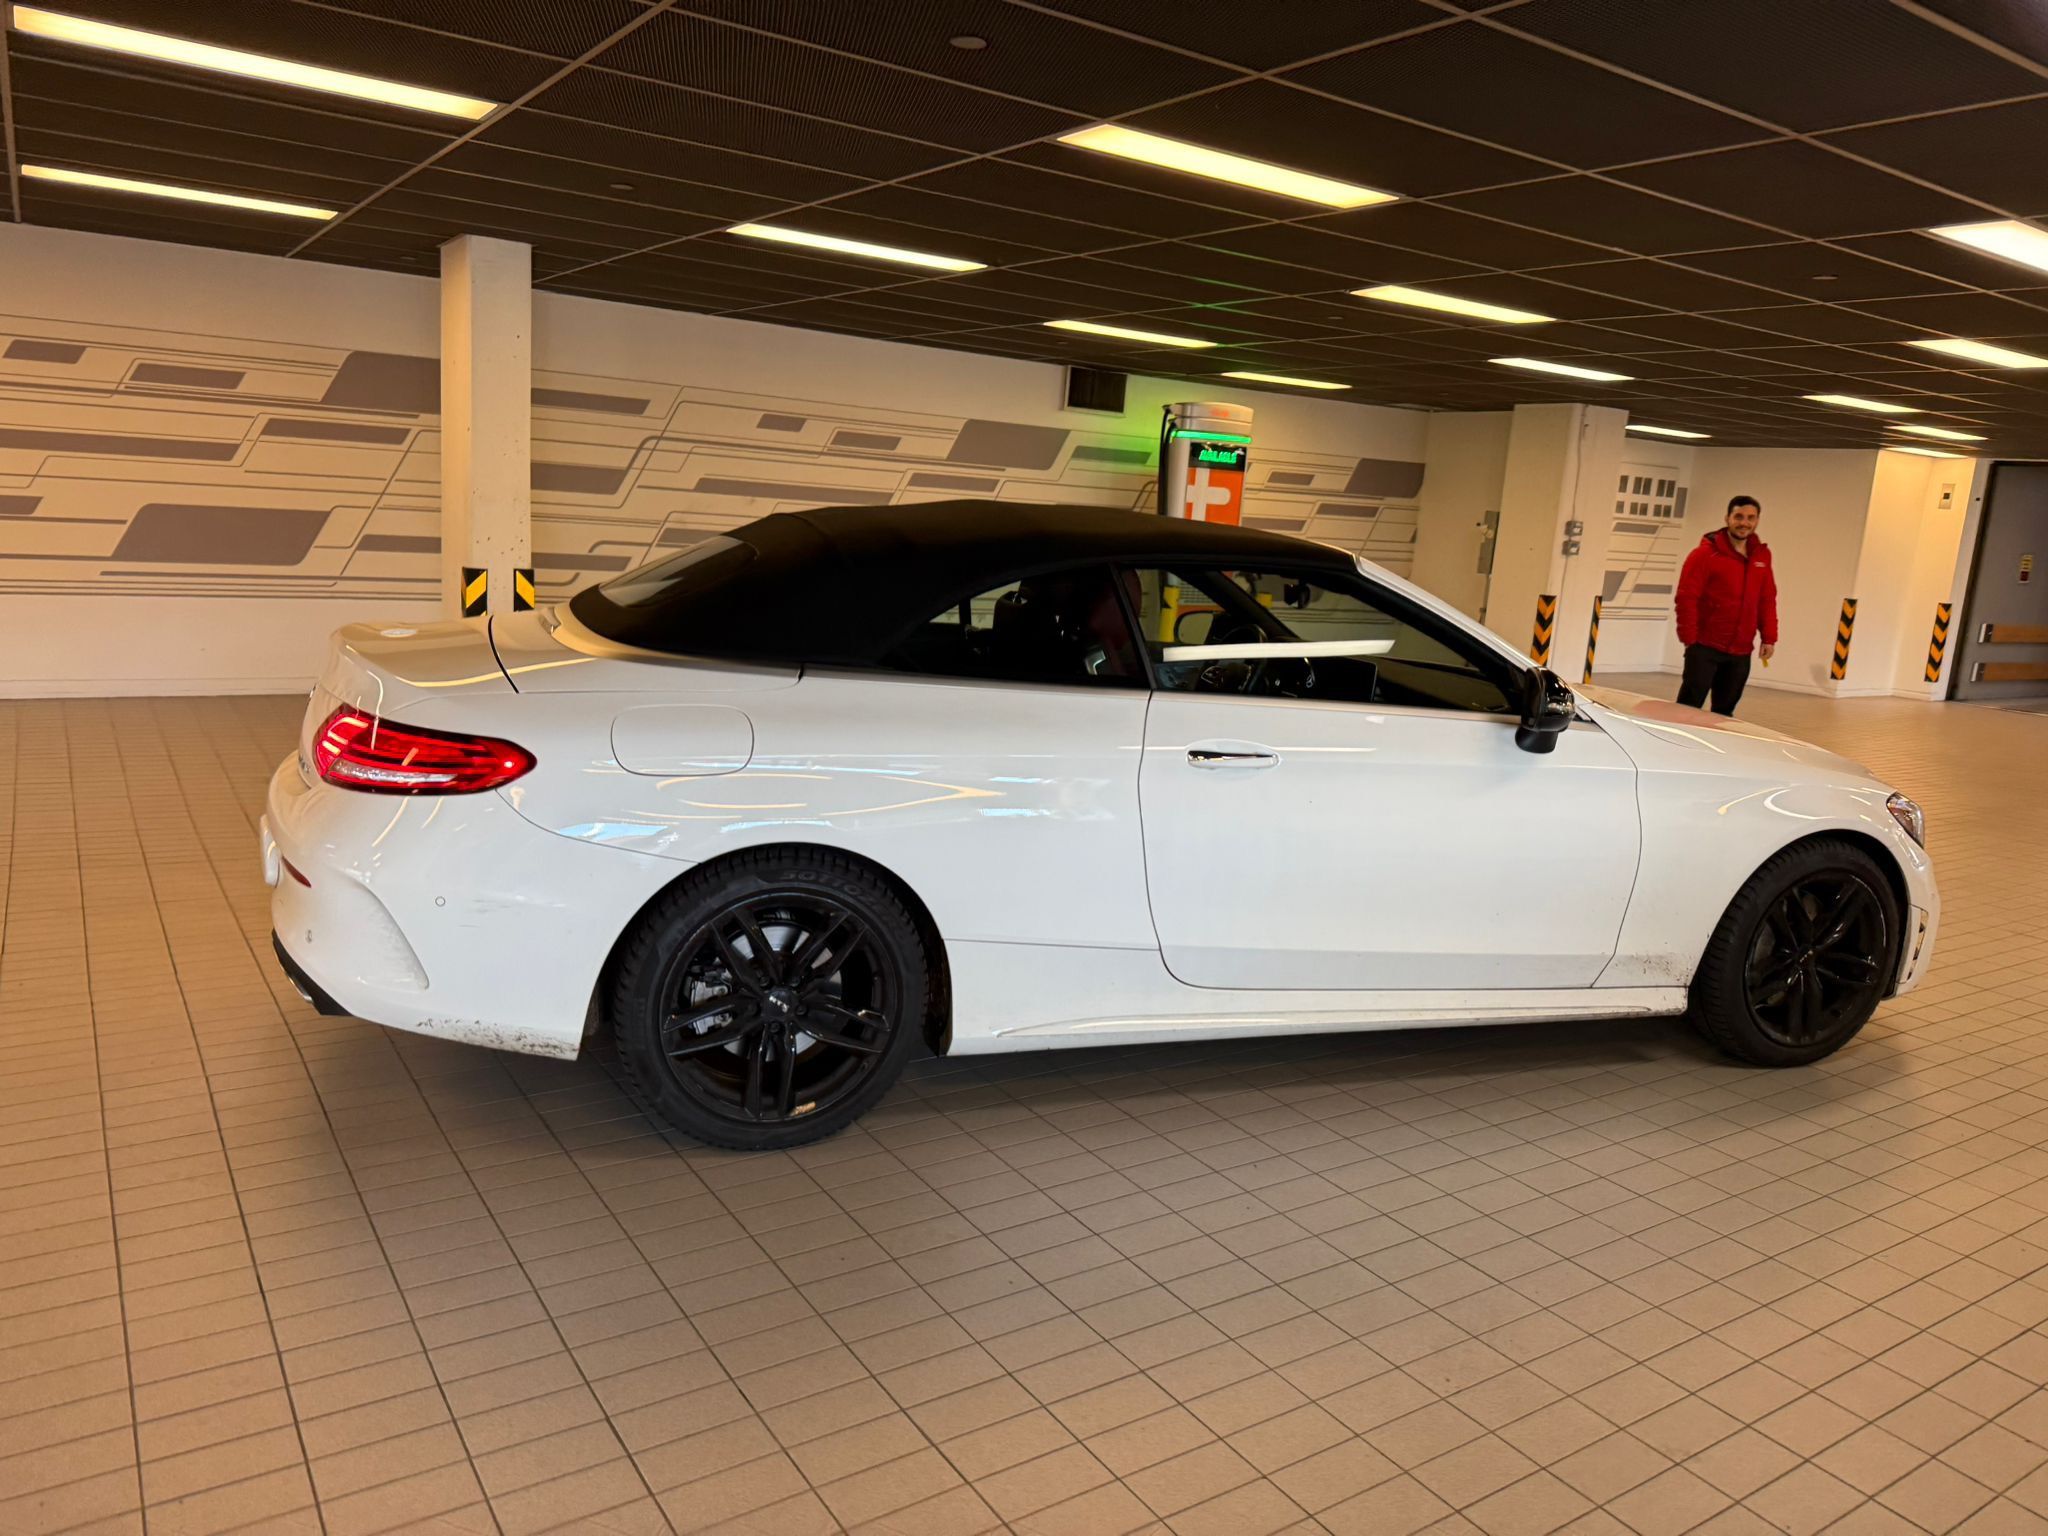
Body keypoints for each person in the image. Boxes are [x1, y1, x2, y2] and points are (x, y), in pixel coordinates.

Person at [1675, 495, 1777, 716]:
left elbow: (1766, 599)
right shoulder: (1705, 554)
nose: (1744, 523)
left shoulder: (1761, 556)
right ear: (1728, 518)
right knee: (1688, 707)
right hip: (1704, 646)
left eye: (1751, 518)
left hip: (1740, 651)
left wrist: (1769, 637)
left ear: (1758, 520)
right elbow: (1686, 597)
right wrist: (1689, 639)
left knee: (1724, 713)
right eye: (1738, 516)